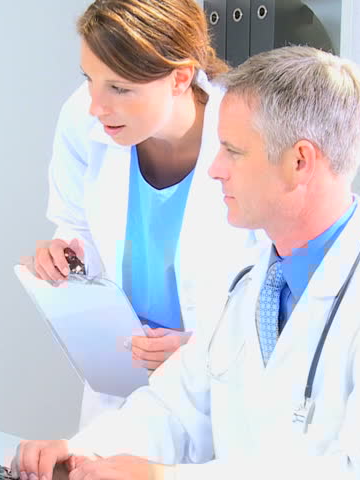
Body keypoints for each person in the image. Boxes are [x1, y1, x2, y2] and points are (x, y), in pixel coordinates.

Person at [12, 46, 360, 480]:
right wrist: (82, 452)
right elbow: (176, 409)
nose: (214, 167)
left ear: (300, 161)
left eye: (233, 151)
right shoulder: (249, 284)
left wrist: (164, 478)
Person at [28, 0, 262, 429]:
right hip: (122, 386)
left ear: (179, 78)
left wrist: (208, 353)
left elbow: (283, 285)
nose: (97, 105)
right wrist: (66, 256)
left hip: (223, 394)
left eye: (119, 88)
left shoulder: (252, 134)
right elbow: (77, 225)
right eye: (90, 79)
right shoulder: (82, 119)